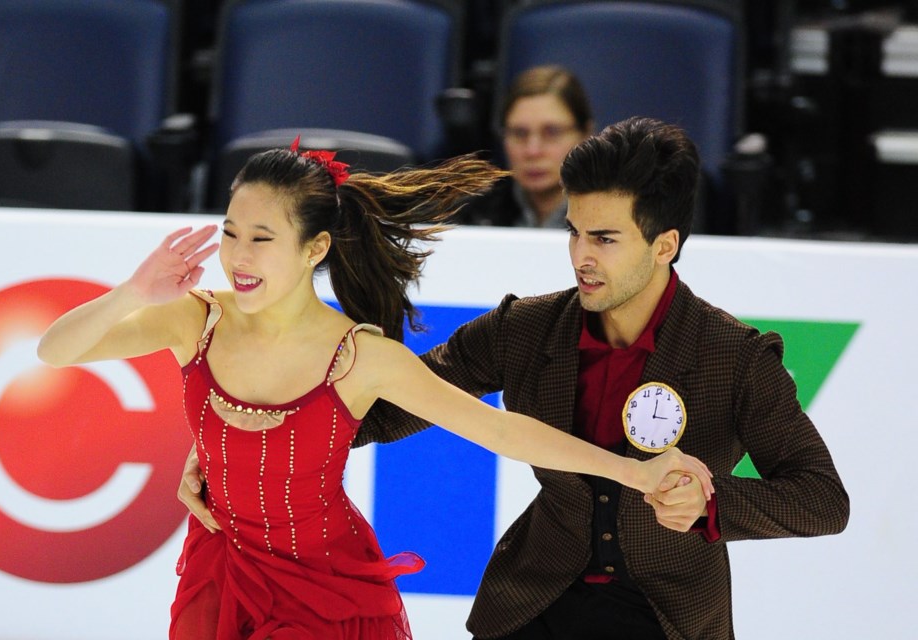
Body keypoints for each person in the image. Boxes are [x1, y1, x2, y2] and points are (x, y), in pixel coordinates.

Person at [176, 116, 851, 639]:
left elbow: (823, 499)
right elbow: (375, 411)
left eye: (605, 240)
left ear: (664, 244)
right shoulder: (525, 330)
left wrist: (711, 505)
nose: (581, 258)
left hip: (667, 616)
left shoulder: (731, 357)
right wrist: (227, 449)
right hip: (535, 606)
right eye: (573, 232)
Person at [37, 139, 715, 640]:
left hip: (326, 590)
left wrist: (633, 471)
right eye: (231, 234)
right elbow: (55, 349)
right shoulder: (196, 320)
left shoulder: (358, 358)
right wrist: (132, 292)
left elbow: (502, 431)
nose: (240, 256)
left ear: (315, 249)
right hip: (222, 573)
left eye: (263, 239)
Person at [457, 65, 594, 228]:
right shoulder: (468, 216)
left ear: (585, 135)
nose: (532, 151)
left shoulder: (616, 216)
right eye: (519, 133)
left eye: (552, 132)